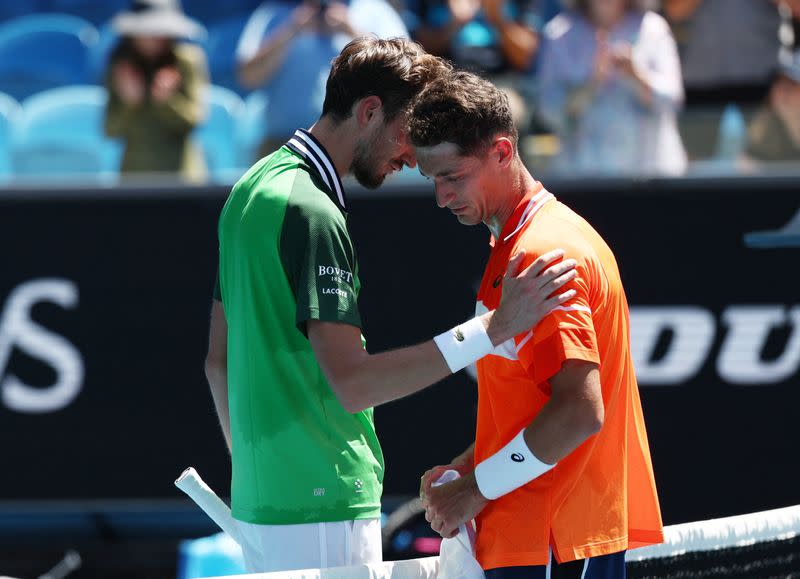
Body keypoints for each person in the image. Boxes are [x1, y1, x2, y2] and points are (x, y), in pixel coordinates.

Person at [204, 36, 579, 574]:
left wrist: (260, 470)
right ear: (370, 112)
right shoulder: (313, 212)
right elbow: (354, 385)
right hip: (324, 501)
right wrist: (494, 329)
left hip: (265, 501)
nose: (413, 155)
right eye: (409, 133)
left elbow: (217, 361)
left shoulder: (250, 187)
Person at [410, 70, 663, 577]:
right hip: (547, 535)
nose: (441, 197)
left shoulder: (540, 254)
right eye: (432, 179)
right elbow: (534, 401)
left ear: (502, 153)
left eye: (453, 176)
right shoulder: (526, 242)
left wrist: (475, 488)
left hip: (554, 540)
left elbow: (579, 412)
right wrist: (472, 462)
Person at [236, 0, 408, 158]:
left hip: (359, 145)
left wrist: (351, 31)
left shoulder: (372, 10)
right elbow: (247, 77)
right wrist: (290, 29)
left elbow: (404, 73)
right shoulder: (274, 13)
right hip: (284, 144)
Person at [537, 0, 687, 176]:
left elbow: (674, 100)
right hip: (583, 179)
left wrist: (637, 76)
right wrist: (591, 84)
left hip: (651, 176)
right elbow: (548, 113)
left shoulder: (653, 29)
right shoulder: (559, 34)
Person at [104, 0, 208, 182]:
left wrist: (167, 101)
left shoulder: (187, 61)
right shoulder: (121, 66)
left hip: (182, 179)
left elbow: (194, 121)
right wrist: (130, 102)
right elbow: (110, 130)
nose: (155, 36)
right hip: (134, 180)